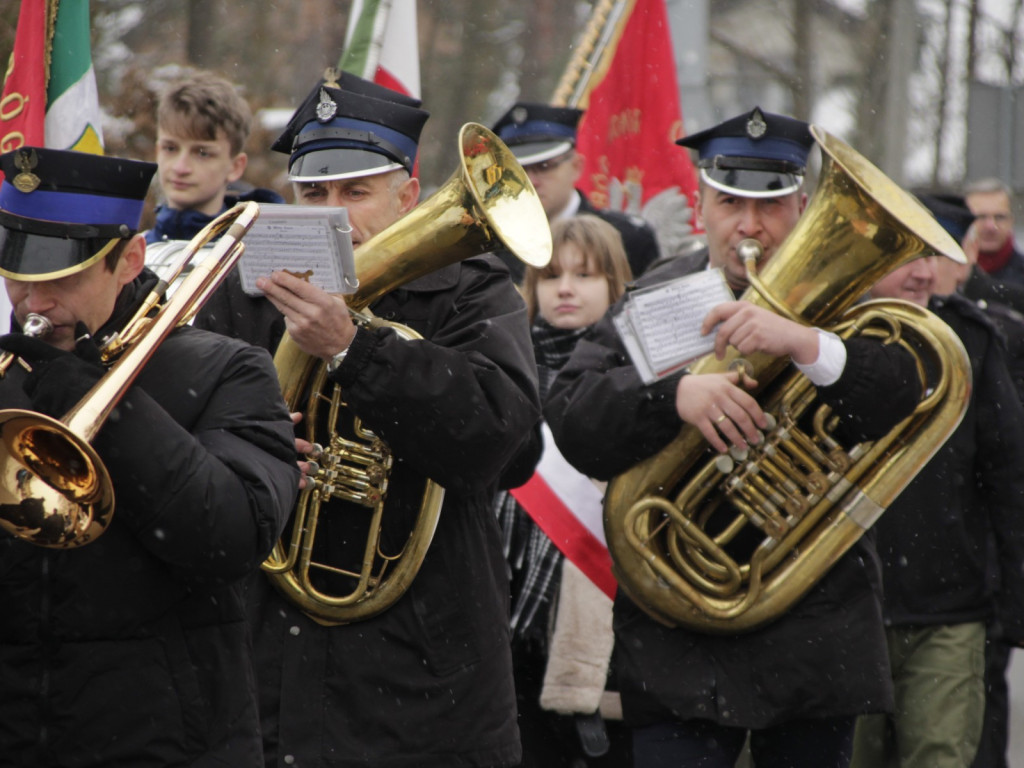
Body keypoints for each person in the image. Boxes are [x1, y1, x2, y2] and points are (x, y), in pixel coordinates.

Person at [545, 107, 933, 768]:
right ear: (700, 205)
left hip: (814, 627)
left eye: (772, 206)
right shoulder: (657, 295)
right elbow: (576, 417)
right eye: (730, 203)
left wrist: (808, 345)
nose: (750, 226)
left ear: (804, 206)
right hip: (680, 638)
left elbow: (907, 394)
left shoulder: (847, 300)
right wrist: (675, 397)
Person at [197, 73, 541, 767]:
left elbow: (505, 445)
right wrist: (250, 458)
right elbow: (187, 448)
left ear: (407, 197)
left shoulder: (473, 290)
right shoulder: (243, 295)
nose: (333, 216)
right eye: (313, 194)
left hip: (423, 687)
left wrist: (355, 349)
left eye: (356, 193)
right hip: (270, 666)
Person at [0, 147, 299, 766]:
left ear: (129, 259)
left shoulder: (227, 369)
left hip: (164, 737)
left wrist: (103, 408)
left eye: (62, 276)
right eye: (17, 274)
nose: (34, 301)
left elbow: (232, 537)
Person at [850, 252, 1024, 768]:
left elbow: (1009, 478)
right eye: (903, 256)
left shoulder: (971, 337)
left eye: (933, 256)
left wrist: (1014, 605)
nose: (923, 273)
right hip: (846, 617)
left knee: (941, 757)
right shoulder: (825, 335)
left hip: (949, 610)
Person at [495, 213, 633, 768]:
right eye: (552, 276)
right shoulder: (508, 366)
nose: (567, 288)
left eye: (586, 275)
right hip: (508, 600)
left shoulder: (637, 375)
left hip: (597, 612)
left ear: (617, 287)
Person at [491, 102, 661, 282]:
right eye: (518, 172)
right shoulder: (496, 251)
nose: (531, 182)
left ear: (576, 166)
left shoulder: (628, 238)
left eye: (545, 166)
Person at [146, 69, 285, 245]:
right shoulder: (130, 255)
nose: (180, 168)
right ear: (157, 152)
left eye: (202, 153)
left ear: (235, 167)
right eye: (170, 148)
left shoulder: (260, 256)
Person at [964, 177, 1024, 286]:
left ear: (1011, 221)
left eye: (999, 217)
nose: (991, 226)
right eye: (981, 217)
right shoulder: (941, 276)